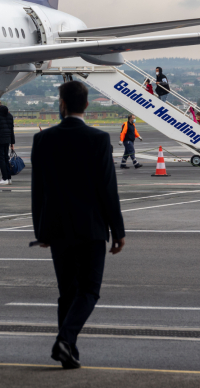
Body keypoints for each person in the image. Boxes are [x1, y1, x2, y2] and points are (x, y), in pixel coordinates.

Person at [31, 80, 125, 369]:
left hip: (57, 227)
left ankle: (67, 350)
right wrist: (118, 230)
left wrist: (41, 230)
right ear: (86, 104)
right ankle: (66, 339)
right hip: (91, 227)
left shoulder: (43, 140)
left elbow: (38, 191)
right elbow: (107, 189)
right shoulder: (98, 139)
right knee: (89, 290)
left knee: (68, 293)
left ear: (62, 104)